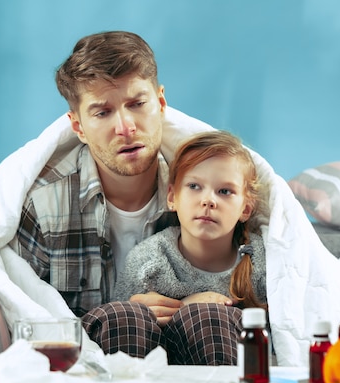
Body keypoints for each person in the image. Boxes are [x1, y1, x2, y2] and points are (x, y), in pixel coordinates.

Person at [0, 30, 340, 368]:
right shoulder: (46, 207)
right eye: (102, 111)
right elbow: (37, 316)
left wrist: (205, 303)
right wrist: (128, 311)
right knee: (125, 322)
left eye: (137, 103)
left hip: (208, 338)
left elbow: (287, 277)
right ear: (77, 126)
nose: (125, 126)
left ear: (161, 103)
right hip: (112, 351)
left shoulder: (202, 183)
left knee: (219, 316)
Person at [113, 131, 270, 363]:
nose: (208, 200)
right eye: (194, 186)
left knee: (209, 316)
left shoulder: (262, 262)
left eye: (225, 191)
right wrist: (184, 304)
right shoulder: (148, 261)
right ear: (172, 197)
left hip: (225, 366)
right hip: (153, 370)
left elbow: (284, 337)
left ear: (246, 209)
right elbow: (120, 329)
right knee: (119, 314)